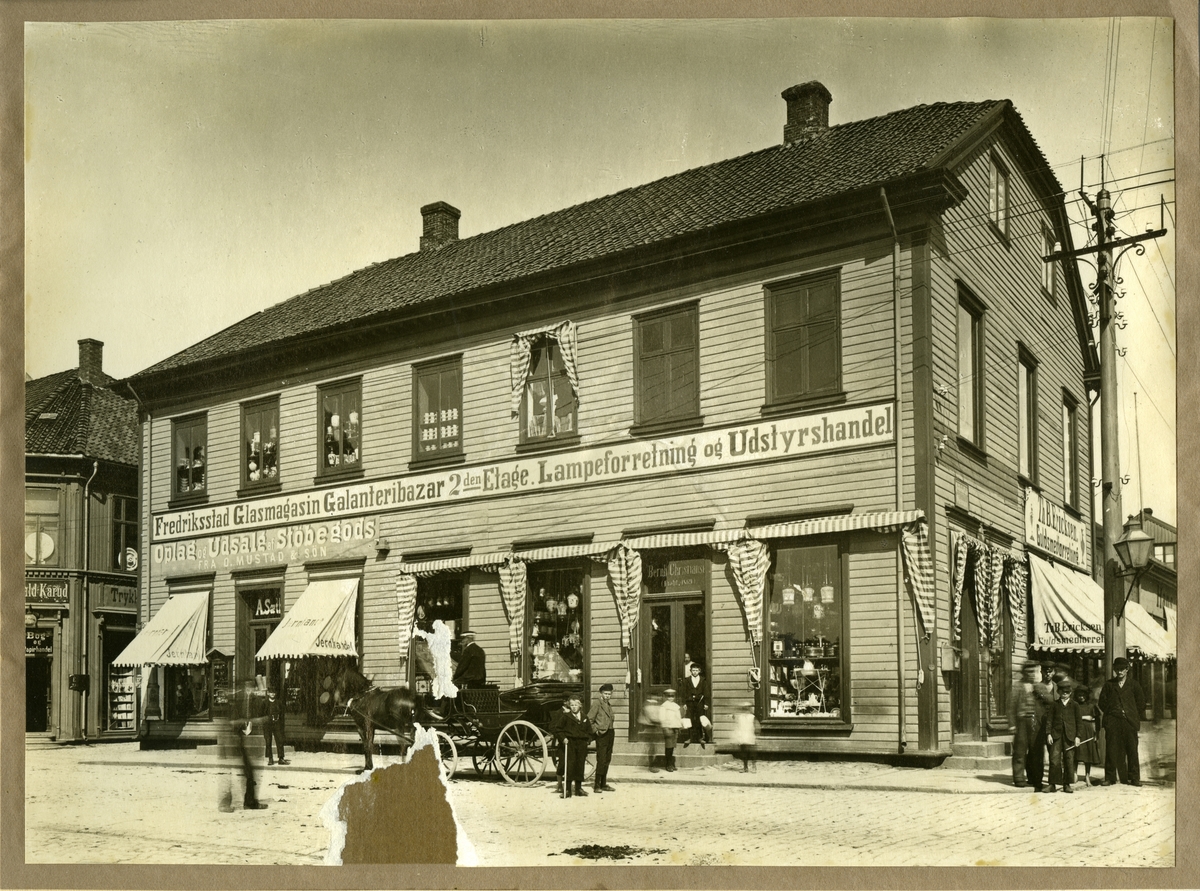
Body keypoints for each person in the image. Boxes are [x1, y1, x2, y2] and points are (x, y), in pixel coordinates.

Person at [219, 680, 268, 811]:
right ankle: (224, 803)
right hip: (231, 739)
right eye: (248, 688)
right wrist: (244, 722)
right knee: (227, 772)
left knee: (250, 772)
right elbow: (230, 721)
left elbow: (261, 717)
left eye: (252, 688)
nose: (249, 691)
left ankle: (250, 802)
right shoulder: (235, 701)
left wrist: (255, 721)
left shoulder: (257, 701)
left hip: (245, 741)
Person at [1098, 657, 1146, 786]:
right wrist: (1113, 712)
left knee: (1132, 750)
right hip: (1113, 721)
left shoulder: (1134, 685)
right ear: (1114, 669)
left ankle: (1134, 778)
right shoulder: (1109, 685)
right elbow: (1102, 702)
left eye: (1122, 669)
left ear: (1127, 670)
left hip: (1129, 722)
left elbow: (1141, 703)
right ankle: (1110, 777)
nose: (1119, 672)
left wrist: (1131, 714)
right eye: (1117, 669)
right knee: (1111, 749)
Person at [1008, 660, 1046, 790]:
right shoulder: (1018, 686)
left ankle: (1035, 778)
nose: (1031, 674)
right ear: (1024, 672)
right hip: (1022, 722)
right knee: (1020, 750)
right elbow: (1011, 706)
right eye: (1028, 671)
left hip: (1036, 722)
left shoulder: (1040, 686)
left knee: (1036, 751)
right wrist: (1012, 724)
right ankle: (1019, 777)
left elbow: (1049, 702)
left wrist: (1039, 692)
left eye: (1033, 671)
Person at [1046, 677, 1082, 793]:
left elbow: (1079, 722)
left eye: (1067, 692)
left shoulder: (1075, 705)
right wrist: (1048, 734)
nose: (1065, 694)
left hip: (1070, 736)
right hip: (1056, 735)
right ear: (1058, 692)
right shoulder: (1054, 705)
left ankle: (1067, 784)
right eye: (1062, 692)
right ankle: (1052, 784)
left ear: (1070, 693)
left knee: (1069, 759)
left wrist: (1078, 737)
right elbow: (1049, 720)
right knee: (1054, 759)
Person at [559, 693, 592, 797]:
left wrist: (588, 740)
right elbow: (558, 729)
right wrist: (563, 738)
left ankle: (578, 788)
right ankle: (568, 789)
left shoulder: (584, 717)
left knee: (580, 765)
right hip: (570, 743)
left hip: (581, 744)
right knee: (570, 765)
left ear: (580, 706)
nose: (574, 707)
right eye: (572, 705)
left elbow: (589, 731)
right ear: (569, 706)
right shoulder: (566, 717)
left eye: (576, 705)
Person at [588, 683, 617, 793]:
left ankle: (604, 784)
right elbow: (589, 720)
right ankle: (597, 785)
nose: (607, 696)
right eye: (605, 694)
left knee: (607, 759)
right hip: (602, 735)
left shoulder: (608, 704)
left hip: (610, 733)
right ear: (601, 693)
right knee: (601, 759)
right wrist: (596, 731)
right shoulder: (597, 704)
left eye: (609, 694)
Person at [1073, 685, 1102, 787]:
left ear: (1086, 695)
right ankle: (1075, 774)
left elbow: (1097, 720)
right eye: (1079, 695)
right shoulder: (1074, 705)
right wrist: (1085, 717)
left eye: (1083, 695)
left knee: (1088, 755)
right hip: (1077, 732)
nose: (1081, 697)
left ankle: (1087, 776)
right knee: (1076, 754)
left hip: (1088, 732)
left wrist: (1097, 734)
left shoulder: (1091, 706)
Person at [681, 664, 711, 748]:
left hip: (700, 702)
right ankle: (689, 737)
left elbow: (706, 693)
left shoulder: (703, 680)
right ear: (690, 671)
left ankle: (700, 737)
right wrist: (684, 703)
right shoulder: (687, 680)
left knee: (699, 719)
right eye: (693, 670)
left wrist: (706, 703)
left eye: (696, 670)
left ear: (699, 671)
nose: (695, 672)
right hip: (690, 703)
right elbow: (683, 692)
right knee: (689, 719)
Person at [262, 674, 289, 766]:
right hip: (268, 725)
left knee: (280, 740)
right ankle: (270, 758)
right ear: (268, 693)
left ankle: (281, 758)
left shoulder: (279, 703)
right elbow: (261, 714)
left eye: (274, 693)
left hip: (277, 724)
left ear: (275, 694)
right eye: (271, 693)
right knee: (268, 741)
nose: (272, 694)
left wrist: (282, 725)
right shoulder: (265, 703)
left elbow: (282, 715)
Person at [730, 701, 760, 773]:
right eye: (744, 708)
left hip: (750, 736)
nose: (745, 710)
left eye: (747, 708)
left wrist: (756, 734)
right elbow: (734, 717)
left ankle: (754, 766)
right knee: (744, 754)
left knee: (752, 754)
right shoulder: (740, 717)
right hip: (743, 737)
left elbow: (757, 726)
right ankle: (745, 767)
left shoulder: (752, 717)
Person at [658, 688, 683, 772]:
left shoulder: (676, 706)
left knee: (672, 746)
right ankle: (668, 764)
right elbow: (662, 718)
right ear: (665, 697)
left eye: (672, 696)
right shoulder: (664, 706)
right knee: (668, 747)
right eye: (669, 696)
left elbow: (678, 717)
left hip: (675, 727)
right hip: (668, 727)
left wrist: (679, 726)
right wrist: (665, 727)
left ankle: (671, 763)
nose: (670, 698)